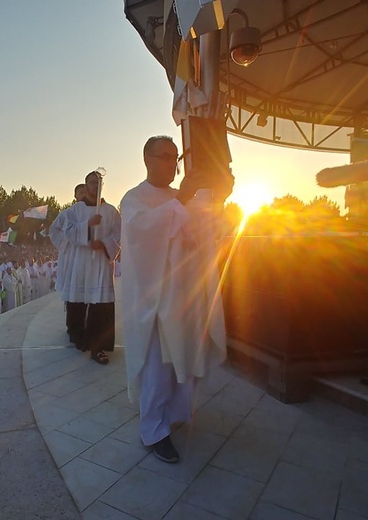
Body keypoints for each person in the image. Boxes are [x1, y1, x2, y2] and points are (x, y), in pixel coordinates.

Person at [119, 135, 230, 463]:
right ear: (146, 159)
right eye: (165, 156)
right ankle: (153, 429)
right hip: (154, 299)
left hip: (182, 296)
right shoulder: (133, 198)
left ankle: (176, 413)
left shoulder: (182, 199)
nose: (172, 163)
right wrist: (183, 197)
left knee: (183, 359)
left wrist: (216, 194)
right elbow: (144, 237)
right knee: (157, 365)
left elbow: (203, 233)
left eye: (175, 157)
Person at [61, 170, 121, 364]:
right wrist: (88, 226)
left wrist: (103, 243)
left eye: (98, 183)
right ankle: (80, 337)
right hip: (82, 262)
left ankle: (99, 347)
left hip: (101, 264)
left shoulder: (111, 211)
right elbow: (68, 231)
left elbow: (119, 234)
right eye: (92, 182)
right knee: (80, 302)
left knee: (101, 305)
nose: (95, 186)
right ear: (86, 186)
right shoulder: (75, 211)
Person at [50, 183, 87, 347]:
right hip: (72, 258)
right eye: (81, 191)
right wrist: (66, 242)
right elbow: (54, 230)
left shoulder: (92, 213)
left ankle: (83, 325)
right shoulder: (67, 214)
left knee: (85, 295)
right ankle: (72, 327)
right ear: (75, 196)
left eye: (86, 190)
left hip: (86, 259)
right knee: (72, 294)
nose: (84, 193)